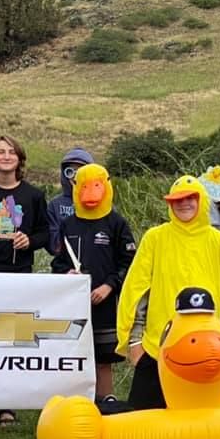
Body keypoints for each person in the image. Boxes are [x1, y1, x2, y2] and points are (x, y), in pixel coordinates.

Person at [117, 175, 220, 410]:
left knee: (202, 426)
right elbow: (136, 291)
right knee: (144, 425)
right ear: (170, 204)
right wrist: (135, 341)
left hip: (205, 350)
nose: (184, 204)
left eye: (191, 198)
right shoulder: (155, 238)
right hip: (157, 348)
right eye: (177, 200)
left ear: (202, 201)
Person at [0, 135, 48, 427]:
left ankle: (8, 404)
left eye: (11, 151)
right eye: (0, 152)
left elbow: (45, 234)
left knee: (12, 340)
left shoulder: (34, 195)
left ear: (19, 158)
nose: (5, 156)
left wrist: (30, 240)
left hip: (19, 276)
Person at [51, 163, 136, 402]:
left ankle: (106, 398)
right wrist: (66, 274)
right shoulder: (68, 225)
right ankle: (76, 401)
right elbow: (57, 261)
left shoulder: (116, 223)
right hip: (74, 303)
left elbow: (129, 261)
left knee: (103, 357)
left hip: (105, 301)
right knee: (74, 353)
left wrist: (110, 285)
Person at [45, 147, 94, 255]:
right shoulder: (55, 205)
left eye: (81, 171)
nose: (76, 176)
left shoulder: (102, 205)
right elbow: (52, 244)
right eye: (70, 172)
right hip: (66, 266)